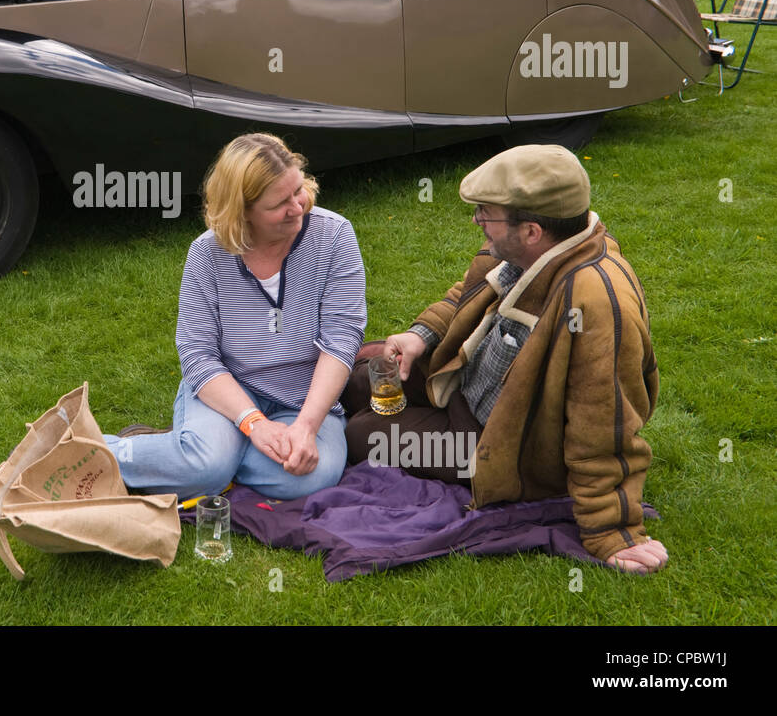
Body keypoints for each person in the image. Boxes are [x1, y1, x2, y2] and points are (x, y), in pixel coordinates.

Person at [341, 145, 668, 574]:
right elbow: (465, 295)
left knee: (362, 433)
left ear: (531, 230)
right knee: (361, 371)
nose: (477, 221)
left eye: (486, 213)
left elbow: (604, 423)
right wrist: (419, 336)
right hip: (464, 382)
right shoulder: (526, 249)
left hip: (497, 442)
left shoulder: (593, 304)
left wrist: (612, 532)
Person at [103, 133, 365, 500]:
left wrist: (305, 428)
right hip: (228, 391)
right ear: (242, 212)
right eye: (280, 203)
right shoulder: (207, 254)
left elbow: (341, 340)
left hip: (303, 399)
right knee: (213, 464)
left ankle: (191, 456)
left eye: (298, 190)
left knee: (309, 476)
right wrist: (253, 424)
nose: (298, 206)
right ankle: (91, 453)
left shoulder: (335, 237)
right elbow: (197, 354)